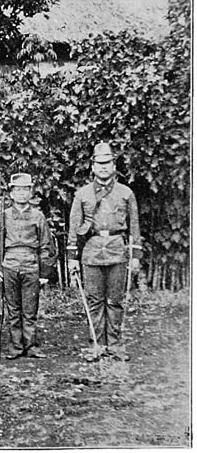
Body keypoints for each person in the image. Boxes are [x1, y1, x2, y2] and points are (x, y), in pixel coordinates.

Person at [66, 142, 142, 362]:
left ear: (114, 165)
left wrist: (135, 256)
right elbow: (74, 227)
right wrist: (72, 259)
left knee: (115, 300)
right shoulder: (83, 195)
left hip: (117, 250)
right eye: (99, 163)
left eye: (107, 163)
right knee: (95, 300)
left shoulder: (126, 193)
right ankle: (97, 345)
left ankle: (116, 345)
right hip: (91, 251)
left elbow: (134, 226)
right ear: (92, 166)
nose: (103, 167)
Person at [0, 173, 55, 359]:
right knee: (13, 309)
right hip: (9, 265)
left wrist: (44, 272)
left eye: (25, 189)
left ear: (31, 192)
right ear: (11, 193)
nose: (22, 193)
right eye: (18, 189)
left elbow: (46, 246)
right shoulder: (4, 216)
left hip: (31, 265)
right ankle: (15, 347)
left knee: (30, 309)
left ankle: (30, 346)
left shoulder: (38, 216)